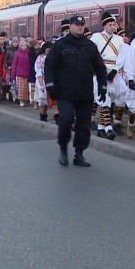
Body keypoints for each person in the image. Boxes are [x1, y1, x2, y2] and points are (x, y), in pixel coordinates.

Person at [44, 14, 108, 167]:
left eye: (82, 25)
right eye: (77, 25)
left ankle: (79, 153)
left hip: (84, 91)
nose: (80, 27)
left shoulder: (89, 46)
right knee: (65, 120)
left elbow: (100, 67)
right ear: (70, 26)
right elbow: (50, 66)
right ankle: (63, 147)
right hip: (65, 91)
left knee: (83, 124)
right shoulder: (61, 45)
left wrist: (102, 86)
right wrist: (50, 85)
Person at [90, 11, 127, 140]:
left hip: (113, 73)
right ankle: (108, 128)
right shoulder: (96, 37)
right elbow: (93, 54)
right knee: (103, 99)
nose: (113, 27)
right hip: (100, 72)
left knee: (114, 98)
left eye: (114, 24)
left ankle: (101, 128)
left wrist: (115, 70)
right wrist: (99, 69)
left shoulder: (119, 39)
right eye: (110, 24)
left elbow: (122, 56)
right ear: (104, 25)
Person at [34, 40, 56, 122]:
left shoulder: (54, 57)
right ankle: (43, 115)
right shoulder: (40, 58)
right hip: (42, 80)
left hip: (52, 80)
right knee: (43, 101)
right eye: (47, 51)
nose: (49, 52)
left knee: (53, 99)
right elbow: (39, 71)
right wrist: (41, 84)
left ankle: (57, 116)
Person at [11, 39, 31, 106]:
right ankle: (21, 101)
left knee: (26, 88)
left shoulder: (29, 53)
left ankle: (25, 100)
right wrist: (13, 75)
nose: (24, 47)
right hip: (19, 73)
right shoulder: (17, 53)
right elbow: (14, 64)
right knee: (21, 89)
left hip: (27, 73)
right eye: (23, 45)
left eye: (25, 45)